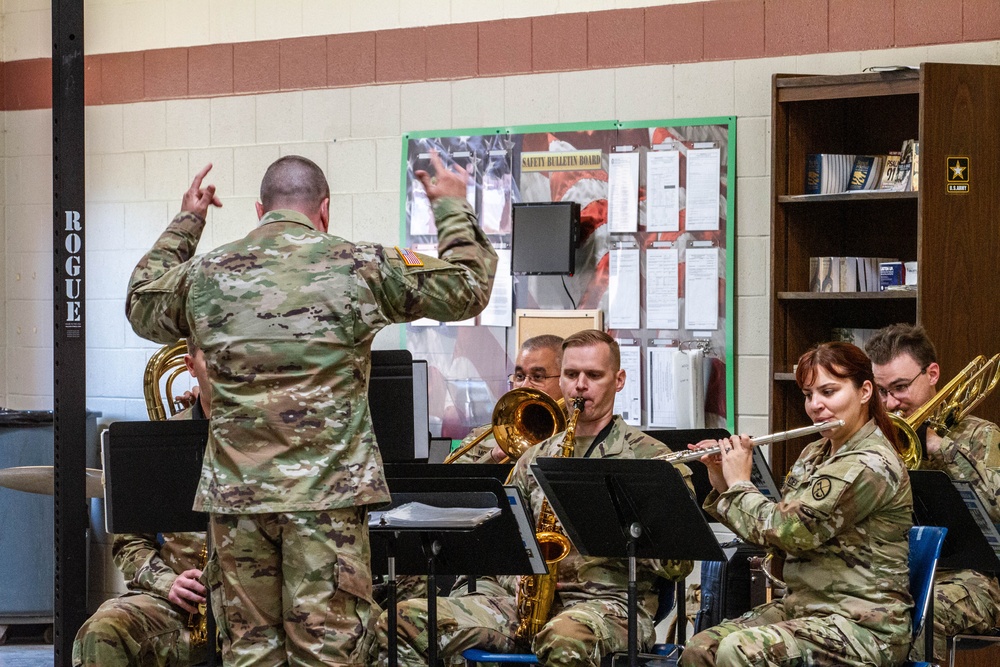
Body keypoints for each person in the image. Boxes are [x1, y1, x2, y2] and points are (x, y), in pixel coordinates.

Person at [125, 155, 497, 666]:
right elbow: (467, 289)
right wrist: (451, 206)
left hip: (238, 504)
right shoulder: (360, 265)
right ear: (324, 209)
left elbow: (141, 301)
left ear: (260, 209)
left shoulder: (208, 273)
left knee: (249, 654)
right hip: (327, 500)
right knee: (326, 655)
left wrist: (189, 219)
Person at [377, 329, 693, 666]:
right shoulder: (535, 457)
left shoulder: (653, 460)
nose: (580, 386)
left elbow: (679, 565)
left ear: (618, 380)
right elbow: (506, 544)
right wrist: (521, 586)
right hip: (521, 602)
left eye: (594, 375)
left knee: (564, 638)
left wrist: (622, 515)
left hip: (607, 604)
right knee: (402, 621)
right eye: (571, 375)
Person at [680, 342, 913, 667]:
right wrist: (721, 477)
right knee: (700, 648)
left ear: (864, 391)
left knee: (739, 650)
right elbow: (768, 533)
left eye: (829, 392)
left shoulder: (870, 463)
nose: (816, 405)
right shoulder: (814, 453)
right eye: (808, 394)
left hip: (865, 625)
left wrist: (740, 483)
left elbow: (790, 532)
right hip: (805, 608)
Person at [867, 323, 1000, 661]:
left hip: (978, 580)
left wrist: (942, 449)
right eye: (881, 392)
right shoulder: (877, 439)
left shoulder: (982, 436)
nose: (891, 403)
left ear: (932, 374)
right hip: (896, 570)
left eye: (899, 387)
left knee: (923, 611)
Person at [73, 344, 212, 667]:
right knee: (103, 630)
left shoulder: (281, 438)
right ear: (191, 366)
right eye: (213, 355)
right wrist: (169, 583)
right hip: (181, 607)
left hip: (257, 611)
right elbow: (131, 543)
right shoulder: (164, 438)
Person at [449, 334, 565, 464]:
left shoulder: (577, 436)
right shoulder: (486, 436)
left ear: (564, 380)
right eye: (520, 376)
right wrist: (494, 457)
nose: (525, 385)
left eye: (537, 377)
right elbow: (449, 481)